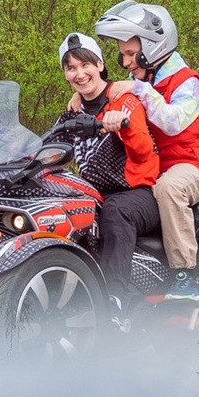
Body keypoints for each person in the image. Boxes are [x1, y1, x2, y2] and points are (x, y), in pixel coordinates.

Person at [96, 0, 199, 286]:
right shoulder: (141, 78)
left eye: (130, 54)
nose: (125, 62)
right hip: (156, 167)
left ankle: (184, 275)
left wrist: (140, 89)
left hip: (194, 165)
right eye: (121, 56)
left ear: (153, 49)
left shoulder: (189, 82)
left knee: (169, 189)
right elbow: (112, 98)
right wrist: (84, 97)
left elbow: (173, 121)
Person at [55, 33, 160, 312]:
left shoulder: (123, 99)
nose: (79, 74)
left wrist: (123, 126)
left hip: (138, 193)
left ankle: (114, 299)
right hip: (95, 195)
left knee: (115, 210)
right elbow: (48, 148)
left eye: (85, 65)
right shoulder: (72, 111)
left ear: (100, 64)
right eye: (71, 68)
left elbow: (143, 151)